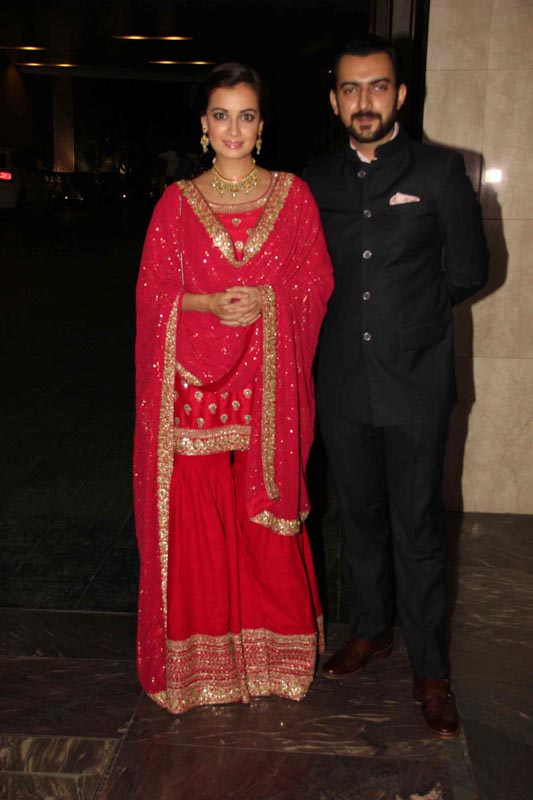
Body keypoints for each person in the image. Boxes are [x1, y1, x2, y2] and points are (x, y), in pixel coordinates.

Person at [303, 35, 489, 738]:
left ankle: (430, 668)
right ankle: (369, 630)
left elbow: (469, 270)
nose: (364, 101)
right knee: (357, 518)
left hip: (415, 383)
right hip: (342, 380)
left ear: (400, 95)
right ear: (334, 101)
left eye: (377, 86)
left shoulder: (440, 171)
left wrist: (409, 324)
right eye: (350, 89)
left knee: (417, 525)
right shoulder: (312, 182)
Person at [134, 62, 333, 714]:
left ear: (261, 124)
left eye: (245, 115)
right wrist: (205, 304)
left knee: (260, 515)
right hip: (193, 384)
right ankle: (204, 668)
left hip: (266, 384)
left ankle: (273, 662)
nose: (233, 129)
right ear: (203, 124)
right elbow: (152, 294)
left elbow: (316, 281)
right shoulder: (176, 203)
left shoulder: (293, 197)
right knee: (199, 515)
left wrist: (270, 301)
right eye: (221, 115)